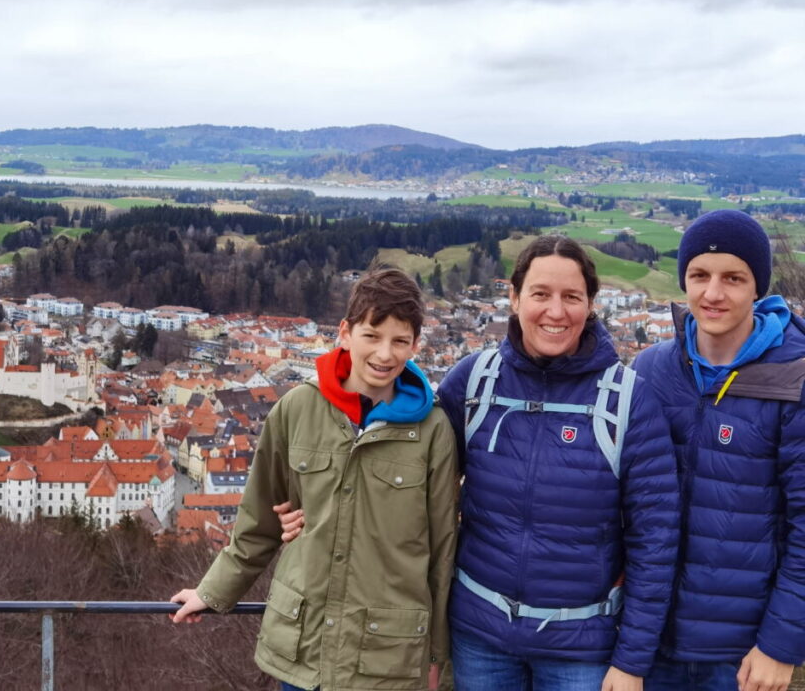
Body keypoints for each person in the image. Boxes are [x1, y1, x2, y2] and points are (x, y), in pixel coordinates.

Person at [280, 235, 680, 691]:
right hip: (480, 639)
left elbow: (656, 539)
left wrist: (631, 662)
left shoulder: (629, 400)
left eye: (572, 297)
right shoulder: (474, 381)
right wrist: (315, 509)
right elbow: (402, 465)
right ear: (513, 298)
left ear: (591, 305)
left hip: (581, 646)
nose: (555, 311)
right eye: (540, 294)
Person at [171, 267, 459, 691]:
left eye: (400, 341)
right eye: (372, 336)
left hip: (388, 656)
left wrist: (438, 658)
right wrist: (212, 592)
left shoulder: (432, 429)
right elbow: (260, 519)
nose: (385, 353)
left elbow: (440, 552)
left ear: (415, 345)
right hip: (306, 645)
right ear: (345, 333)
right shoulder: (297, 409)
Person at [632, 209, 805, 691]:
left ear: (757, 287)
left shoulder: (794, 380)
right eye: (699, 275)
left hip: (743, 654)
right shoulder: (651, 371)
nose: (713, 293)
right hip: (650, 640)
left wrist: (780, 645)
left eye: (733, 278)